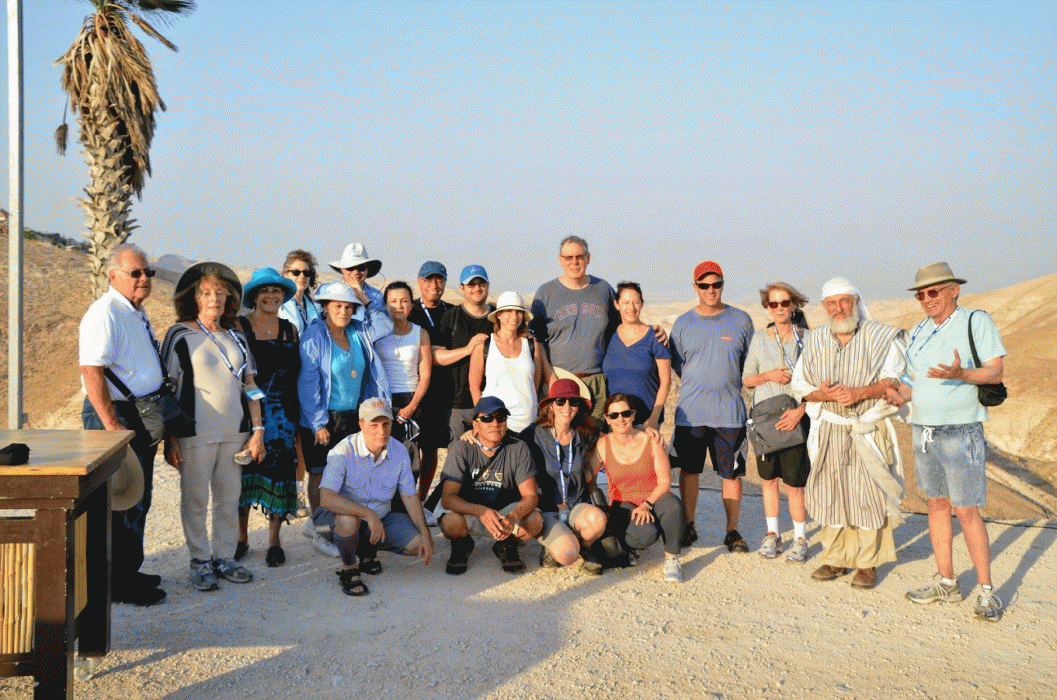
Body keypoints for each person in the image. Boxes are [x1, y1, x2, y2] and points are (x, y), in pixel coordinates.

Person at [895, 262, 1006, 621]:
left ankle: (986, 592)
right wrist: (889, 393)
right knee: (936, 505)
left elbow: (996, 370)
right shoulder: (918, 330)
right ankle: (947, 581)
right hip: (923, 431)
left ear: (953, 290)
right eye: (921, 294)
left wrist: (962, 374)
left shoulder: (976, 321)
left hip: (961, 429)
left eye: (933, 291)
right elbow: (910, 381)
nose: (926, 299)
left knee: (967, 511)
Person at [790, 277, 907, 590]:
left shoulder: (882, 337)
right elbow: (800, 387)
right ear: (824, 307)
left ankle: (868, 563)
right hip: (829, 429)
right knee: (831, 491)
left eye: (844, 301)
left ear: (856, 301)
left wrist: (859, 393)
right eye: (831, 303)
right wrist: (822, 394)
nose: (838, 308)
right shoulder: (814, 341)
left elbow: (894, 380)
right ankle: (836, 557)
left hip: (866, 428)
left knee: (868, 493)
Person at [161, 262, 265, 592]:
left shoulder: (237, 337)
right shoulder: (178, 334)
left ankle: (224, 557)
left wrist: (258, 431)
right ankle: (200, 560)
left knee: (228, 500)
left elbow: (251, 385)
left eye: (220, 292)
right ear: (194, 298)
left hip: (235, 433)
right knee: (194, 500)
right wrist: (170, 437)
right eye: (206, 292)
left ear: (229, 298)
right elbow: (167, 389)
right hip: (194, 433)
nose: (214, 298)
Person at [79, 244, 167, 606]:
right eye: (136, 273)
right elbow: (91, 371)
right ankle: (116, 583)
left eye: (148, 272)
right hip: (115, 416)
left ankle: (128, 571)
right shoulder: (105, 313)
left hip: (137, 413)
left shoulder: (134, 312)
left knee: (137, 496)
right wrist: (112, 424)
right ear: (113, 275)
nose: (144, 278)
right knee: (118, 500)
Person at [298, 281, 392, 557]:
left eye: (349, 306)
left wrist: (367, 300)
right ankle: (320, 529)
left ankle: (343, 525)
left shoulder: (358, 331)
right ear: (325, 307)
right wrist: (318, 422)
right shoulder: (314, 335)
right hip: (324, 416)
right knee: (319, 474)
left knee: (347, 474)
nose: (344, 311)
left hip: (353, 415)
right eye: (337, 305)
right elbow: (308, 381)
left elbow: (385, 325)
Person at [530, 236, 666, 422]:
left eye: (579, 256)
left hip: (597, 383)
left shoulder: (603, 289)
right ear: (560, 260)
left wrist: (650, 330)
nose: (574, 262)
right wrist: (551, 378)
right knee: (560, 434)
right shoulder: (546, 293)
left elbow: (625, 322)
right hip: (559, 381)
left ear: (588, 258)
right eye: (568, 257)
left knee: (597, 436)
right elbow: (537, 341)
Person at [669, 261, 754, 552]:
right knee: (690, 470)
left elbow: (747, 363)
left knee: (731, 473)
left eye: (716, 284)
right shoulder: (683, 323)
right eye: (704, 285)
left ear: (722, 285)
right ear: (695, 287)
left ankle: (732, 531)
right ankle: (689, 525)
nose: (710, 290)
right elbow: (678, 364)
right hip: (691, 414)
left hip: (729, 413)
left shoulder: (741, 320)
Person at [319, 398, 434, 597]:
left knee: (419, 544)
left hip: (380, 519)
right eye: (374, 425)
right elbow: (326, 498)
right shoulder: (343, 450)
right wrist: (368, 514)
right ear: (361, 424)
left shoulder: (399, 451)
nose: (381, 431)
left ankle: (367, 553)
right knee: (348, 521)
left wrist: (425, 531)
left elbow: (409, 495)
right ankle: (349, 569)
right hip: (340, 519)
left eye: (386, 424)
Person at [234, 268, 300, 568]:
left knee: (281, 476)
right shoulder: (240, 326)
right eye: (264, 291)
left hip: (284, 417)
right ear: (254, 296)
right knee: (243, 473)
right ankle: (241, 537)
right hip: (247, 413)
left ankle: (274, 541)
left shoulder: (290, 330)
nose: (271, 296)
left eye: (276, 291)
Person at [742, 282, 812, 563]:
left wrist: (801, 411)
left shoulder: (807, 339)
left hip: (795, 419)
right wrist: (769, 375)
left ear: (793, 304)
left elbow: (818, 383)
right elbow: (747, 379)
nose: (780, 308)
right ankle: (772, 534)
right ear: (767, 307)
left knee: (794, 485)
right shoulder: (760, 339)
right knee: (768, 480)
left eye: (785, 303)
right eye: (774, 304)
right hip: (765, 422)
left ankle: (800, 538)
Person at [437, 396, 543, 575]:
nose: (495, 423)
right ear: (475, 424)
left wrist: (512, 517)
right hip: (470, 510)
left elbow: (531, 496)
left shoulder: (518, 447)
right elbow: (447, 498)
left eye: (501, 418)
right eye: (487, 418)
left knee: (535, 521)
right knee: (450, 522)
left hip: (505, 512)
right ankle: (462, 544)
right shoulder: (461, 448)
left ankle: (507, 544)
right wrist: (481, 511)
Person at [593, 393, 686, 582]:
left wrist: (647, 504)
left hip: (653, 497)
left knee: (674, 507)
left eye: (625, 413)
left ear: (633, 414)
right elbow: (587, 475)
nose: (620, 419)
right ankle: (624, 546)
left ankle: (671, 559)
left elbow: (664, 481)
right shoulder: (602, 445)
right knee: (645, 535)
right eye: (614, 415)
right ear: (607, 419)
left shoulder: (652, 440)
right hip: (623, 503)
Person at [521, 379, 607, 574]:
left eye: (573, 402)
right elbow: (504, 444)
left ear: (578, 407)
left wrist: (645, 431)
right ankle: (555, 545)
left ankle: (585, 547)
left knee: (598, 521)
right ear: (551, 405)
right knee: (567, 555)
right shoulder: (534, 434)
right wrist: (474, 434)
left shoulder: (584, 433)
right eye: (560, 401)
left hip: (577, 506)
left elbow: (616, 436)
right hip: (547, 510)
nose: (567, 407)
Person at [469, 291, 554, 433]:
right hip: (496, 424)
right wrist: (483, 418)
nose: (514, 317)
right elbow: (474, 387)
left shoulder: (532, 345)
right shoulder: (484, 346)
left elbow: (534, 384)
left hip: (528, 423)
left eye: (519, 312)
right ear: (499, 315)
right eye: (508, 311)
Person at [407, 261, 453, 500]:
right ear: (419, 282)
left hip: (443, 390)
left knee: (431, 447)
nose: (434, 285)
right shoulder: (410, 311)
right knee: (409, 447)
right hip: (412, 389)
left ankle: (422, 498)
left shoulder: (453, 312)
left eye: (439, 279)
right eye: (428, 280)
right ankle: (405, 499)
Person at [434, 264, 495, 441]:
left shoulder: (498, 317)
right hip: (456, 405)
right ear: (461, 288)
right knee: (457, 453)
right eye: (471, 284)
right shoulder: (451, 317)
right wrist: (467, 350)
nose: (477, 288)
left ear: (487, 286)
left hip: (490, 402)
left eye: (481, 284)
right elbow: (435, 357)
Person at [602, 282, 672, 430]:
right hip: (616, 421)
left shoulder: (656, 338)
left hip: (646, 421)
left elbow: (666, 382)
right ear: (617, 304)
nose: (631, 308)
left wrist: (654, 418)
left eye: (636, 302)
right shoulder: (608, 336)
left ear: (642, 304)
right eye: (626, 302)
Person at [376, 281, 432, 439]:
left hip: (411, 398)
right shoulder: (376, 333)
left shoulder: (421, 333)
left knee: (410, 449)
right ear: (385, 305)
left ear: (411, 305)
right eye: (393, 301)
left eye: (404, 301)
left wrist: (412, 406)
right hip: (381, 397)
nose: (398, 306)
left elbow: (425, 375)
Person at [327, 242, 394, 339]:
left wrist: (365, 300)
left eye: (361, 268)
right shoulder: (329, 292)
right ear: (342, 269)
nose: (356, 272)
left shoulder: (377, 296)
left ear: (367, 270)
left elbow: (385, 328)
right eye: (350, 268)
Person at [278, 249, 322, 335]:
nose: (302, 276)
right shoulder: (279, 305)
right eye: (296, 272)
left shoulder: (316, 307)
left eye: (306, 273)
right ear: (286, 275)